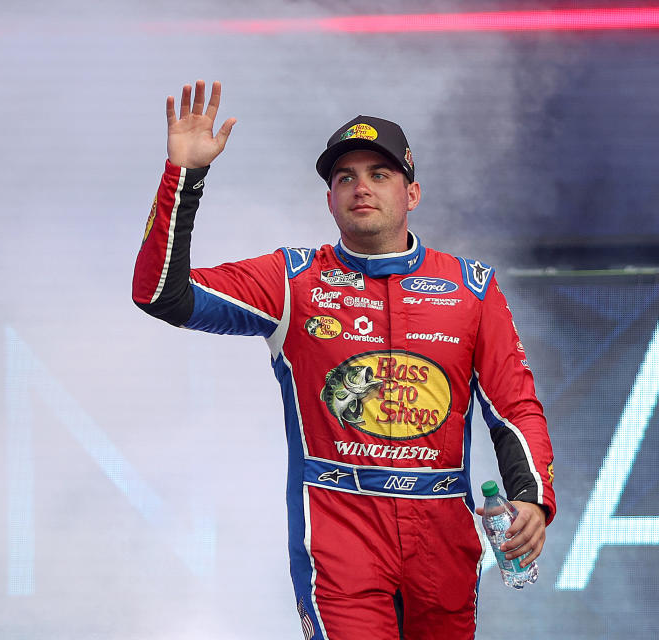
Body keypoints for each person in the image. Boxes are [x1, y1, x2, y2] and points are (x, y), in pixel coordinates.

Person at [132, 80, 556, 640]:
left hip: (443, 537)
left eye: (380, 174)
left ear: (413, 193)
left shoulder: (472, 287)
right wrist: (185, 178)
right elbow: (163, 294)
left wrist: (531, 499)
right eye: (344, 177)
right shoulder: (292, 279)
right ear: (328, 198)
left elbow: (514, 406)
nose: (362, 187)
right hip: (339, 531)